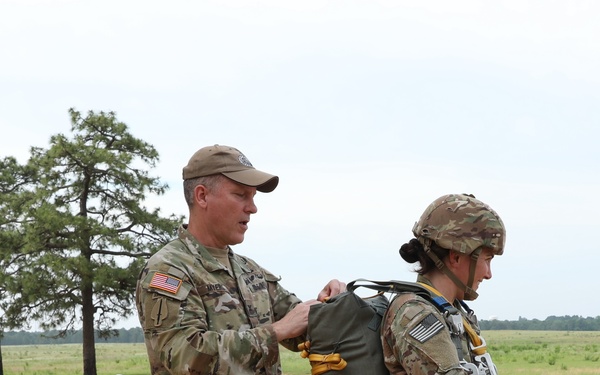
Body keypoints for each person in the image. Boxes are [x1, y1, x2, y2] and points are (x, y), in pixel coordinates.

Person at [135, 144, 345, 375]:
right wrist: (275, 333)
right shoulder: (168, 271)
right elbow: (186, 357)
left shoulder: (251, 272)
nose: (253, 208)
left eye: (253, 197)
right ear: (202, 196)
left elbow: (301, 328)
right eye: (240, 195)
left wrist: (331, 303)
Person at [381, 193, 505, 375]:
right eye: (487, 260)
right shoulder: (416, 314)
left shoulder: (450, 312)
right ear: (456, 257)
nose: (488, 274)